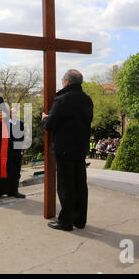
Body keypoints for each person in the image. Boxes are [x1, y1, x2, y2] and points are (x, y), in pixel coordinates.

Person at [42, 69, 93, 231]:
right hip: (81, 148)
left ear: (67, 82)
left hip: (64, 149)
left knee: (66, 187)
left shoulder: (62, 100)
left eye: (62, 80)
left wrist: (44, 119)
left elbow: (51, 124)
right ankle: (79, 220)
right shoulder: (87, 99)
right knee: (80, 185)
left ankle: (65, 222)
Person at [7, 107, 26, 198]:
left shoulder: (21, 123)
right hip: (9, 151)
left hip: (19, 151)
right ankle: (9, 190)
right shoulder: (6, 124)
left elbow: (23, 135)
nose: (15, 114)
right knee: (10, 171)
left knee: (17, 171)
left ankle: (15, 190)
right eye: (13, 113)